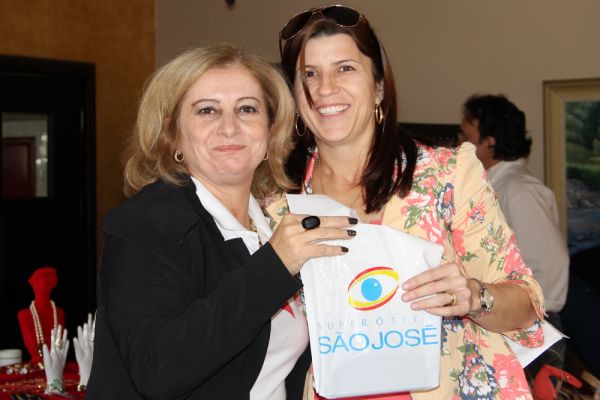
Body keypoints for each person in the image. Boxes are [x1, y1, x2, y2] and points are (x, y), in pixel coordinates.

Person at [269, 5, 546, 400]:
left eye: (345, 68)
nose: (325, 88)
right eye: (309, 74)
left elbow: (527, 302)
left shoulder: (446, 175)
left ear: (379, 87)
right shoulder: (278, 204)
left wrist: (474, 296)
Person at [86, 44, 356, 400]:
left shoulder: (274, 224)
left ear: (270, 129)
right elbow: (157, 371)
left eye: (247, 109)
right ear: (173, 135)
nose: (229, 128)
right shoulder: (145, 225)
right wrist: (274, 265)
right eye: (207, 111)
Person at [460, 94, 569, 379]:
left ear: (489, 142)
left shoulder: (518, 190)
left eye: (465, 136)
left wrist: (520, 313)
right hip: (513, 323)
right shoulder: (496, 186)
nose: (459, 144)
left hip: (531, 332)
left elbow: (551, 266)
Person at [17, 266, 66, 364]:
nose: (43, 282)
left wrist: (58, 355)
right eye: (39, 280)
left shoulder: (59, 313)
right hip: (37, 367)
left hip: (57, 364)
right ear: (33, 284)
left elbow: (60, 343)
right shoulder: (24, 315)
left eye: (47, 279)